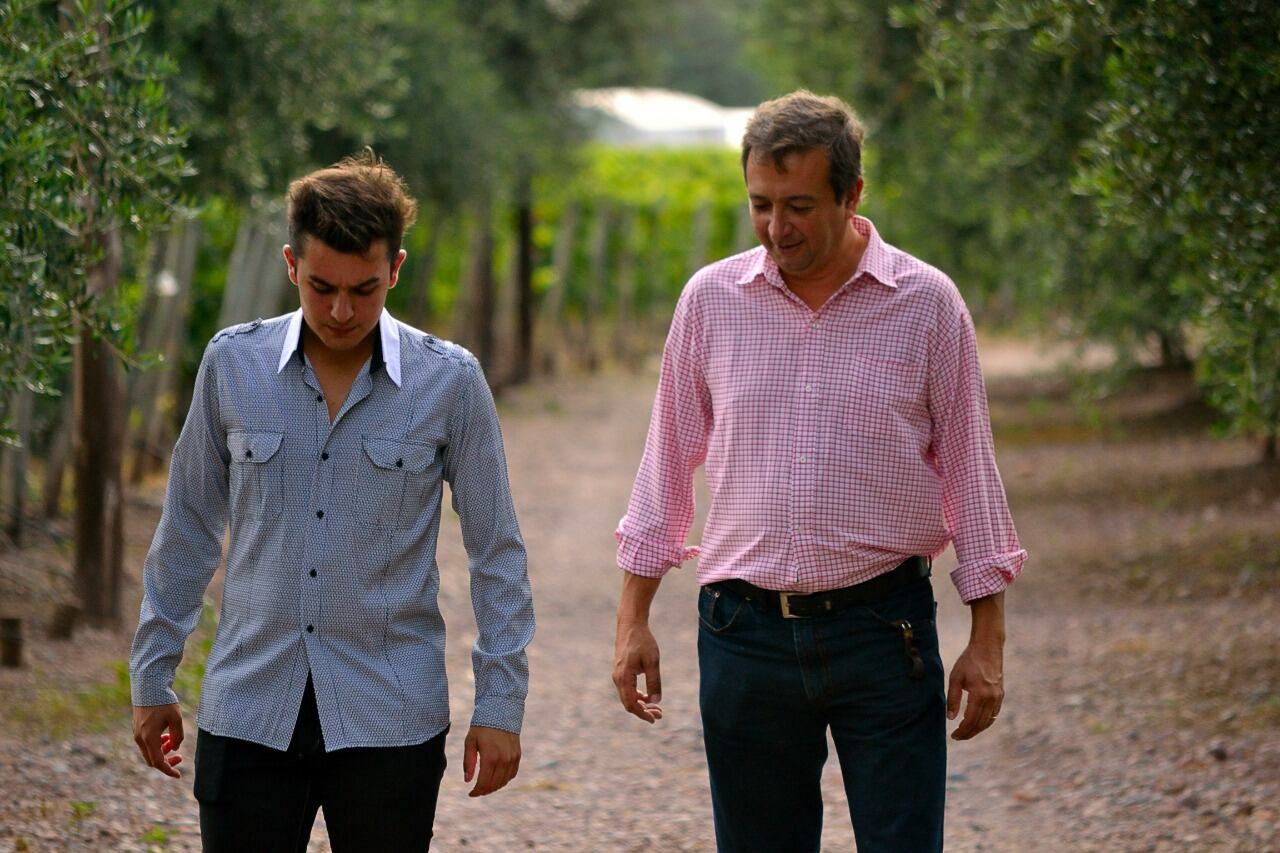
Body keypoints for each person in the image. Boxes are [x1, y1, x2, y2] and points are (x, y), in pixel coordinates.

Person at [612, 91, 1025, 852]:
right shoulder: (710, 301)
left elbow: (972, 473)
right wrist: (633, 617)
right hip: (743, 634)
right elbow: (665, 462)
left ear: (852, 192)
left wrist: (987, 639)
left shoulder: (927, 305)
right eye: (760, 205)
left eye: (798, 205)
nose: (777, 228)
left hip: (884, 631)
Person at [129, 151, 534, 851]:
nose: (342, 310)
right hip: (250, 705)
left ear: (395, 271)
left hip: (391, 714)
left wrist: (500, 703)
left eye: (364, 289)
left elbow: (496, 550)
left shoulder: (451, 381)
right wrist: (152, 670)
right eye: (322, 287)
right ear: (291, 265)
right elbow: (188, 526)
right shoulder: (232, 364)